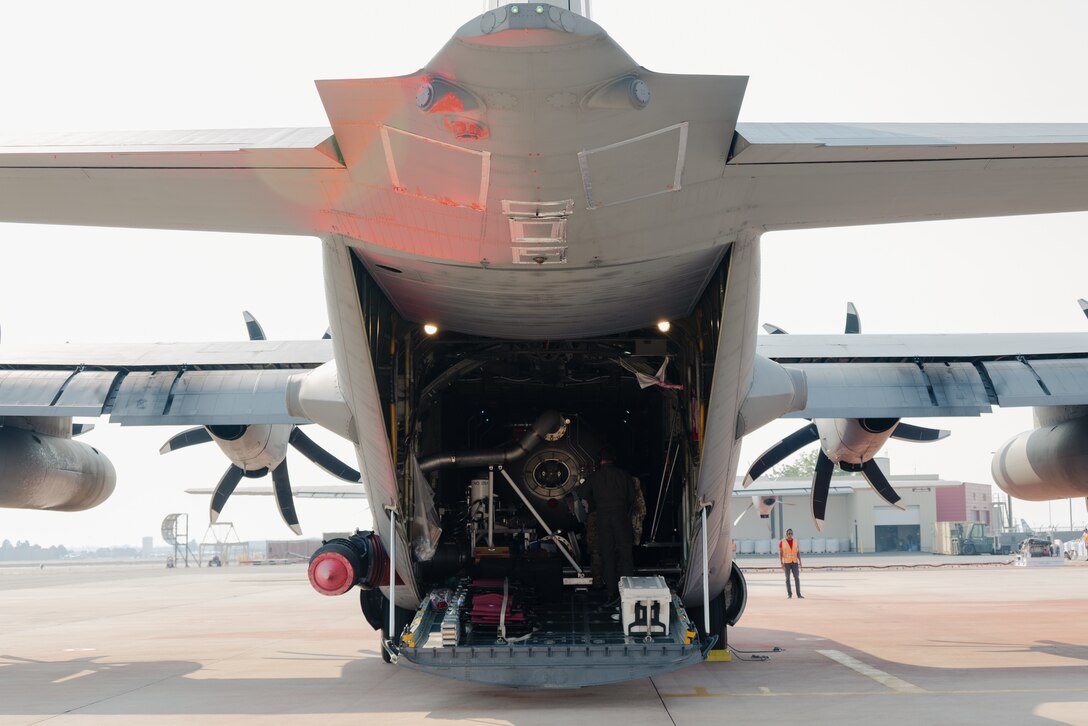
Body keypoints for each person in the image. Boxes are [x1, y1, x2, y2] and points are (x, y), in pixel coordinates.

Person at [584, 448, 635, 606]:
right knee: (625, 554)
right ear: (613, 459)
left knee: (608, 556)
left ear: (600, 460)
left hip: (603, 518)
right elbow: (632, 498)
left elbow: (583, 493)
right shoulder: (624, 475)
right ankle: (628, 593)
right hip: (621, 516)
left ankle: (611, 594)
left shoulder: (595, 476)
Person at [779, 528, 803, 599]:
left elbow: (798, 552)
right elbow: (781, 553)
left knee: (797, 578)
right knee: (787, 578)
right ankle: (789, 594)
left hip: (794, 562)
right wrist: (781, 563)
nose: (790, 535)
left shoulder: (796, 541)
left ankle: (799, 594)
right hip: (786, 563)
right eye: (789, 533)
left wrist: (800, 562)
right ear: (786, 534)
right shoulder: (782, 542)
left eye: (791, 533)